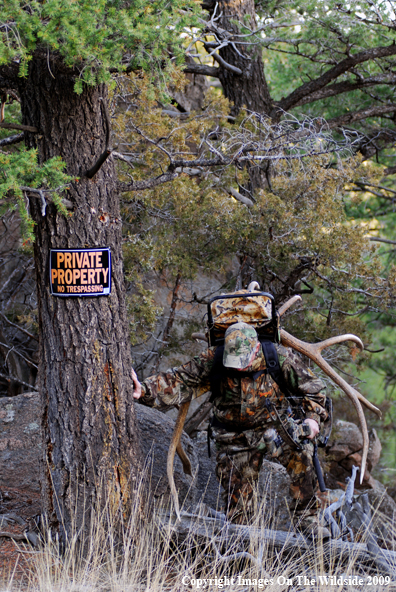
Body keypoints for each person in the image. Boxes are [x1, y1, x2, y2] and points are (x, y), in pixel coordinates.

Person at [132, 320, 329, 527]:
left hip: (277, 430)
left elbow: (315, 390)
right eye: (233, 360)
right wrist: (143, 390)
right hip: (235, 438)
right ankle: (243, 552)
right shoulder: (214, 358)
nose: (238, 366)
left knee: (303, 453)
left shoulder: (277, 357)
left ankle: (308, 520)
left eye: (243, 360)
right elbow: (179, 380)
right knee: (239, 518)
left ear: (256, 349)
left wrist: (312, 419)